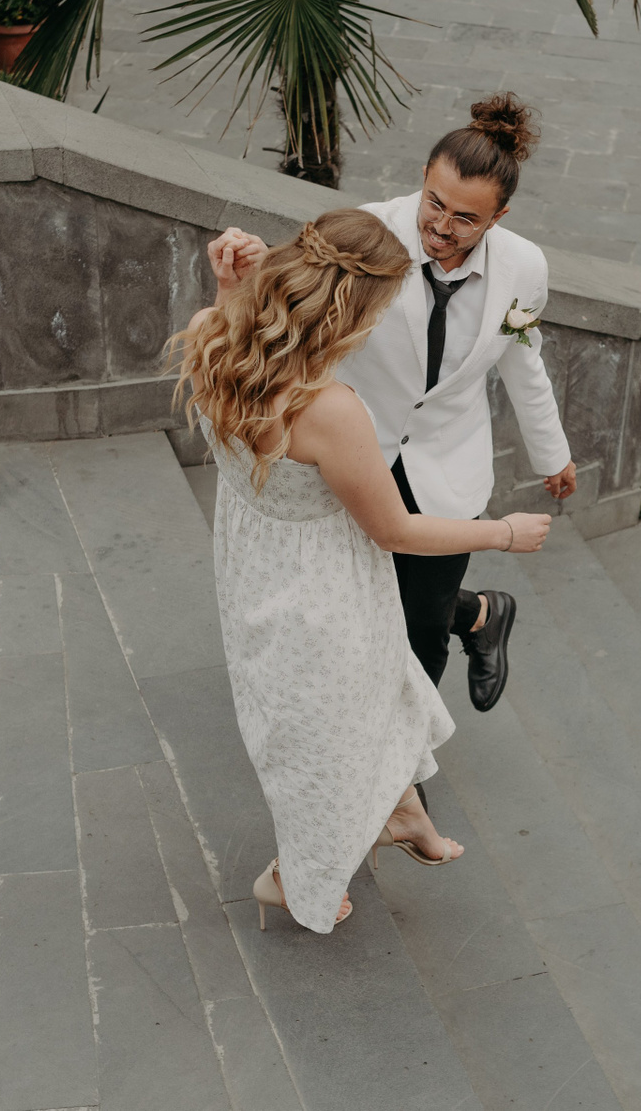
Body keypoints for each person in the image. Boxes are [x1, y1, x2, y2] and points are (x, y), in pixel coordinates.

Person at [173, 208, 554, 934]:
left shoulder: (210, 333)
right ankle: (295, 879)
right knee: (325, 734)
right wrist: (502, 533)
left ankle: (402, 812)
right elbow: (394, 528)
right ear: (351, 312)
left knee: (375, 689)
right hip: (321, 586)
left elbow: (231, 338)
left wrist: (228, 294)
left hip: (254, 564)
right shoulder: (329, 410)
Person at [206, 93, 575, 715]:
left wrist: (552, 454)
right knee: (353, 598)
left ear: (499, 216)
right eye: (435, 202)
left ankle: (408, 746)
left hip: (447, 462)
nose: (442, 226)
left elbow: (521, 356)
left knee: (421, 625)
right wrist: (247, 272)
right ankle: (477, 613)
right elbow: (293, 302)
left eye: (466, 218)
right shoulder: (365, 234)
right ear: (423, 178)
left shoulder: (524, 268)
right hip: (354, 449)